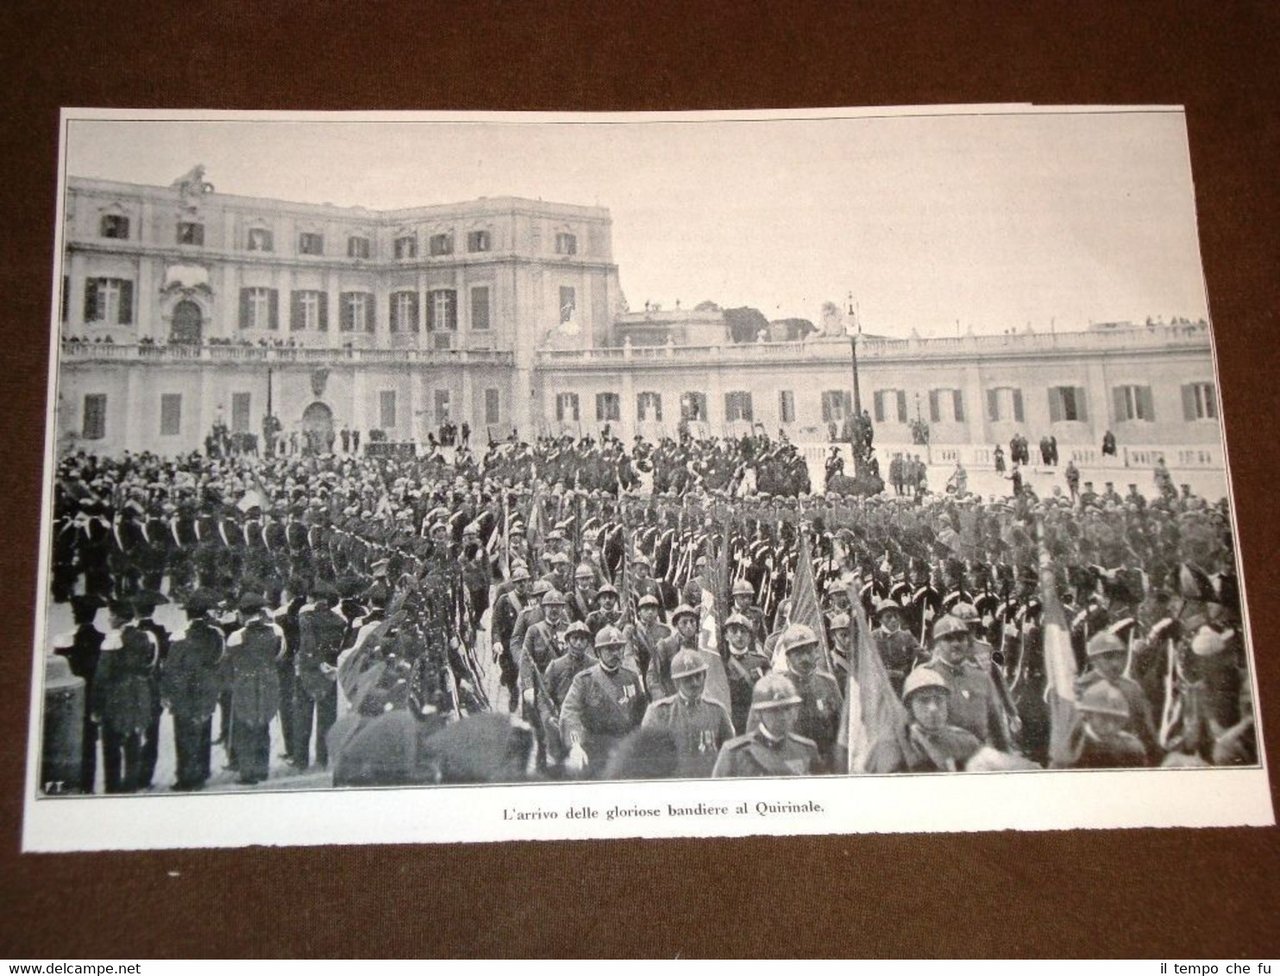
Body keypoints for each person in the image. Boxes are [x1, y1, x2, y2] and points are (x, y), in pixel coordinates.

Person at [560, 625, 646, 777]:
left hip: (626, 748)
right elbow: (570, 712)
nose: (615, 653)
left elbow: (642, 715)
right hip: (596, 750)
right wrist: (575, 744)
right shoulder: (584, 680)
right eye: (609, 649)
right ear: (598, 652)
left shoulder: (631, 677)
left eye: (619, 648)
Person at [160, 589, 224, 791]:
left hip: (185, 691)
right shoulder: (216, 635)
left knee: (185, 735)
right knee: (204, 729)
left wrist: (166, 692)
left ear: (188, 614)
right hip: (207, 689)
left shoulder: (180, 637)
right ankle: (203, 771)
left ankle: (187, 777)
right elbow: (218, 660)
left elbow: (171, 668)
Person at [919, 614, 1012, 751]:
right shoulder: (926, 677)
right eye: (948, 639)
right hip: (944, 757)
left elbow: (996, 724)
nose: (956, 644)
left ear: (968, 642)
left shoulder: (981, 677)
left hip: (980, 755)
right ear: (937, 643)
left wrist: (1003, 753)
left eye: (961, 638)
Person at [92, 598, 156, 793]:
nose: (109, 619)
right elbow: (149, 666)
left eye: (111, 615)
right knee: (133, 744)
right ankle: (130, 787)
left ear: (119, 618)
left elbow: (102, 676)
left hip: (116, 698)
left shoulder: (112, 640)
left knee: (111, 746)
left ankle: (113, 789)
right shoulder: (146, 636)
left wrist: (96, 706)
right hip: (139, 696)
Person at [641, 648, 735, 778]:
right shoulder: (659, 713)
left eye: (698, 676)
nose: (695, 683)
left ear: (705, 676)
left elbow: (730, 756)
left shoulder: (717, 711)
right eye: (688, 679)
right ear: (676, 682)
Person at [223, 593, 283, 784]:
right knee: (263, 722)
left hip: (246, 683)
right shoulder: (276, 631)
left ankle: (247, 772)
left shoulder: (236, 636)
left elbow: (230, 660)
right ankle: (261, 768)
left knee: (245, 725)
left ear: (243, 613)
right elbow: (279, 655)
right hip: (268, 680)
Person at [712, 674, 819, 777]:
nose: (783, 716)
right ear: (758, 714)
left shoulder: (806, 749)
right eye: (774, 710)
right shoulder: (735, 753)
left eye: (787, 708)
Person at [777, 624, 843, 771]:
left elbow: (842, 728)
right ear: (787, 657)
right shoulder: (777, 688)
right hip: (790, 767)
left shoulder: (828, 683)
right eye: (798, 654)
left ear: (816, 653)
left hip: (826, 766)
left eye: (809, 652)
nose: (805, 658)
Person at [1052, 681, 1147, 769]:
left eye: (1117, 720)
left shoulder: (1132, 748)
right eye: (1104, 718)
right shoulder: (1071, 749)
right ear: (1088, 715)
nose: (1111, 725)